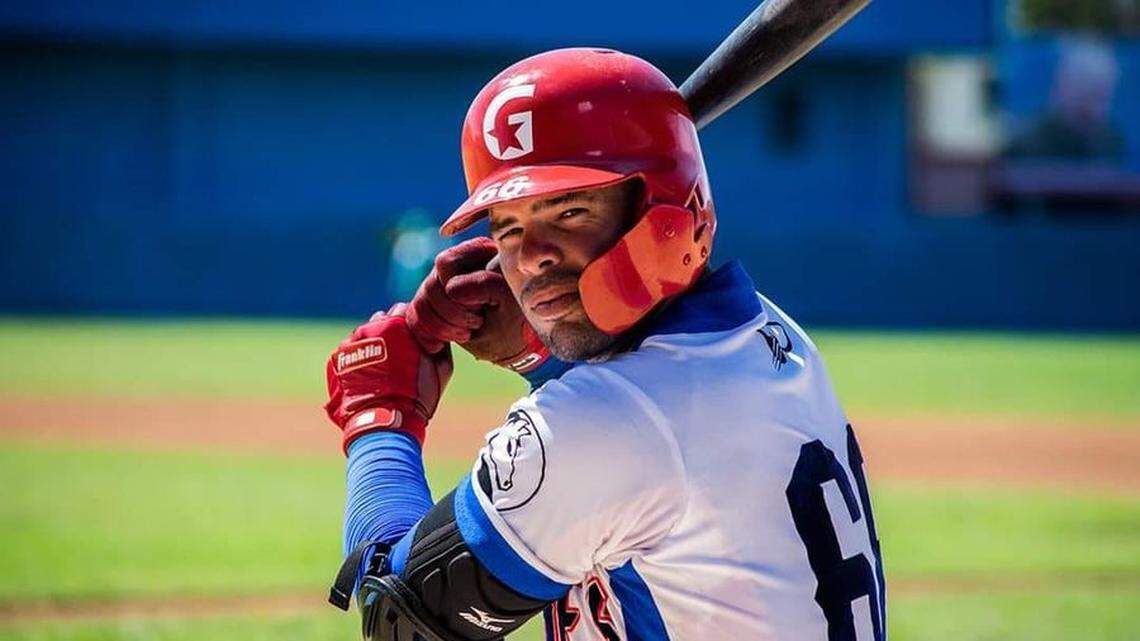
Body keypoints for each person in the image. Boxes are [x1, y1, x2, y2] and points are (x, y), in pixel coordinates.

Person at [324, 48, 886, 641]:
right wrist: (537, 357)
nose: (530, 257)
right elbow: (645, 434)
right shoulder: (765, 334)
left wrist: (380, 415)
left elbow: (399, 624)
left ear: (665, 209)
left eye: (569, 211)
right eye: (508, 227)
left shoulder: (607, 422)